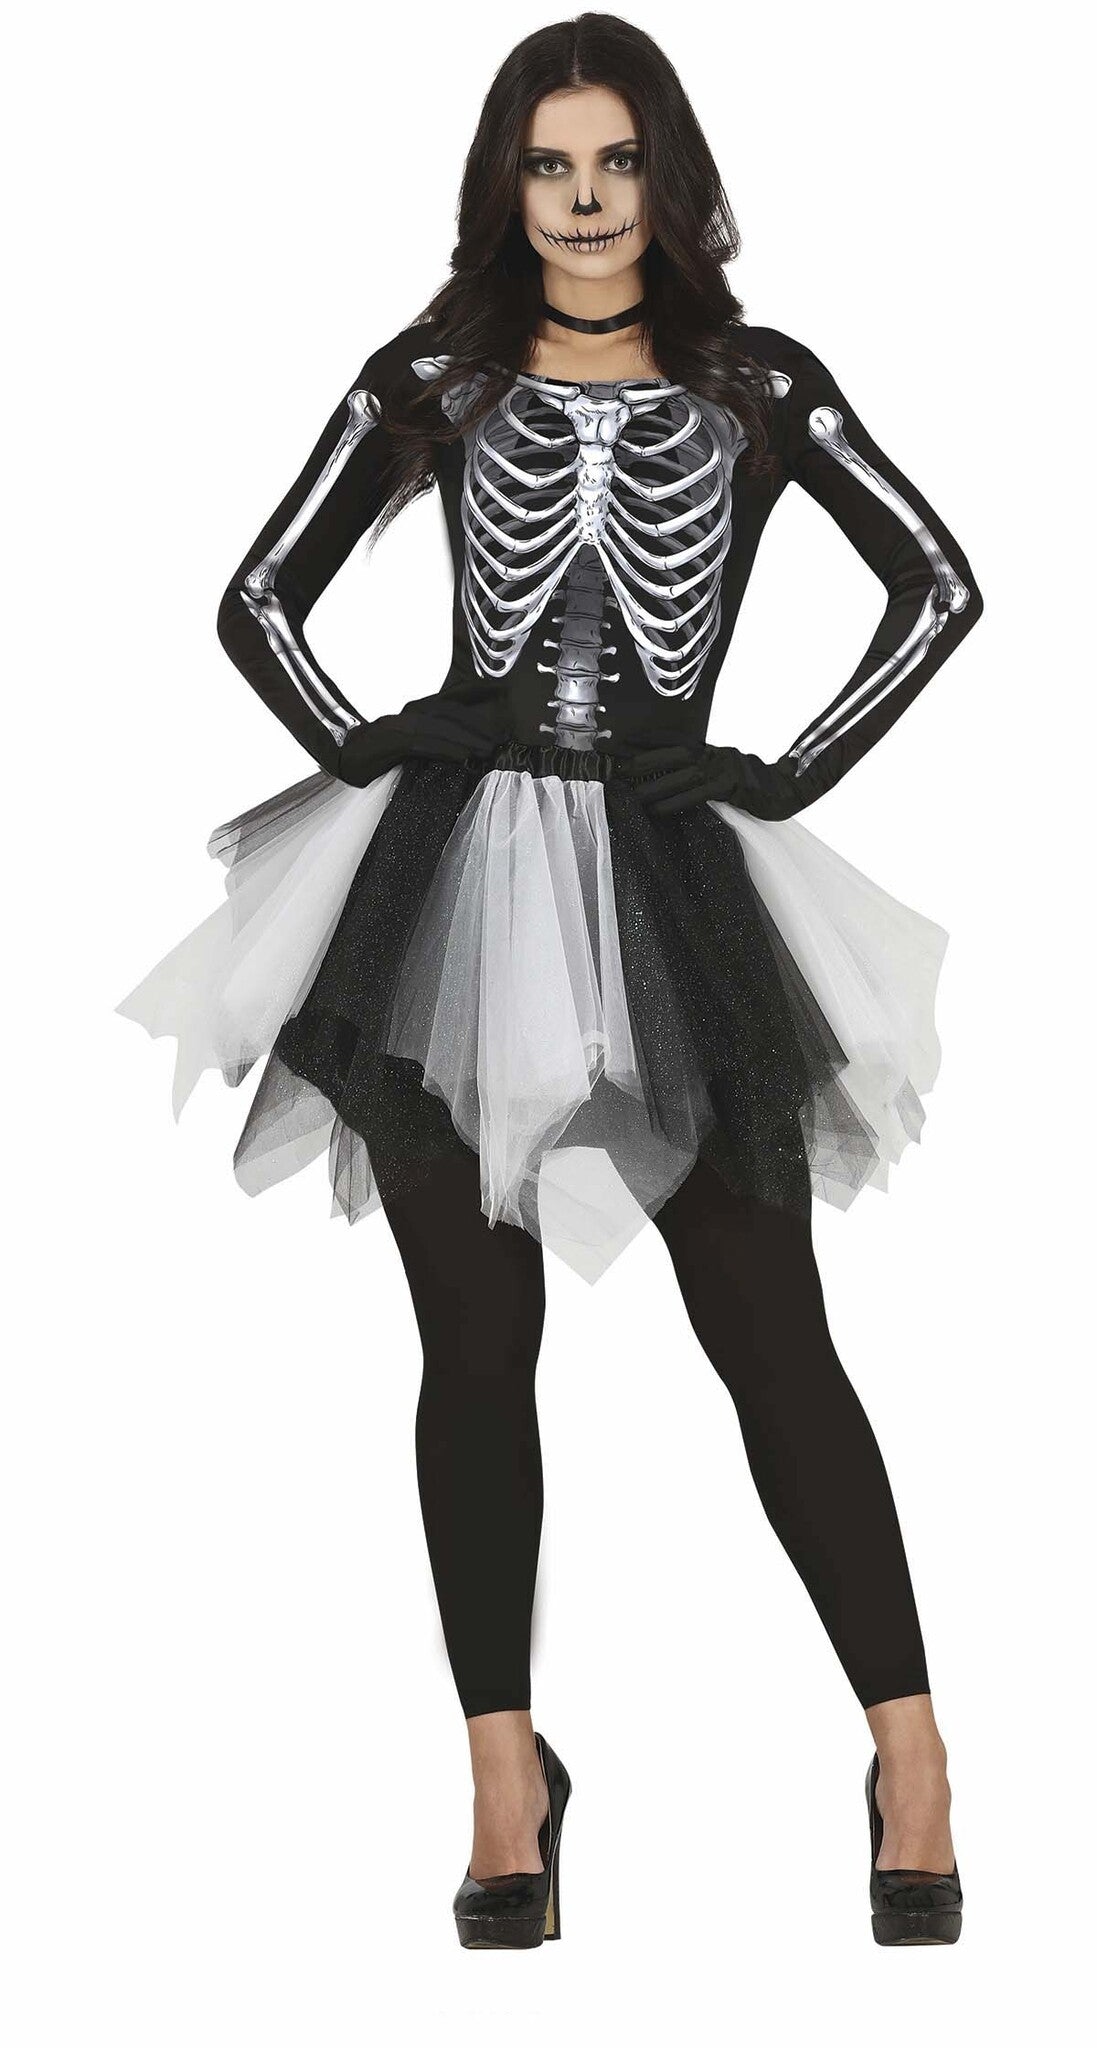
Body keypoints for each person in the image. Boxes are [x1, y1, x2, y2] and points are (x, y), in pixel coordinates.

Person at [116, 13, 981, 1948]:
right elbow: (258, 598)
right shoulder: (434, 376)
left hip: (674, 872)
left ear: (668, 176)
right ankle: (505, 1779)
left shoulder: (758, 384)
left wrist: (781, 770)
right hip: (450, 887)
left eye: (615, 161)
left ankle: (912, 1756)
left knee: (769, 1331)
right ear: (504, 185)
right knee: (474, 1339)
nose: (584, 201)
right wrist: (377, 743)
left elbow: (937, 586)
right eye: (546, 165)